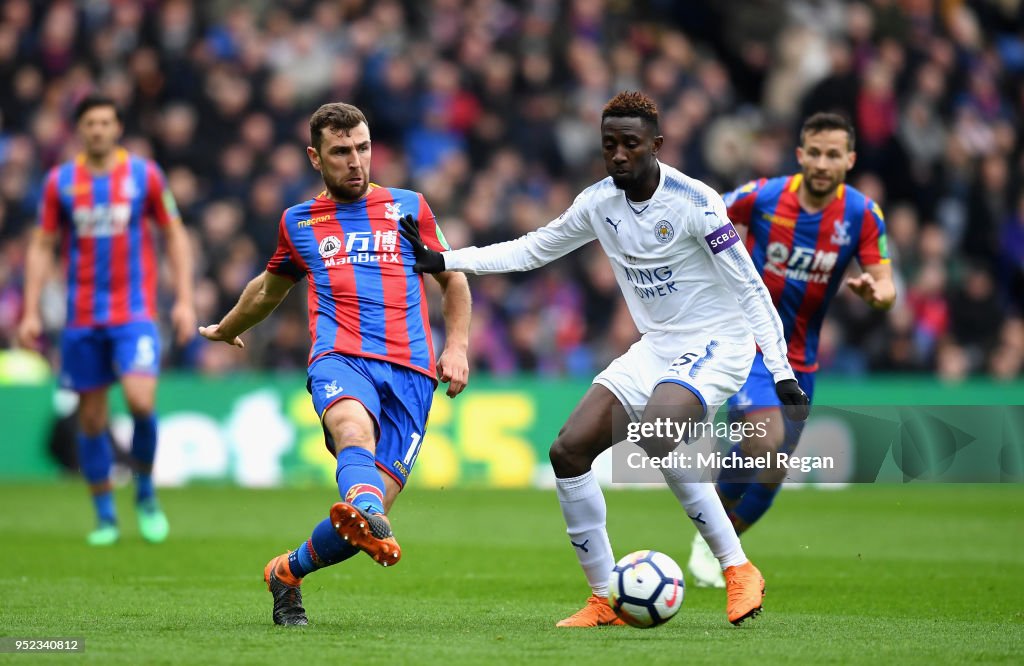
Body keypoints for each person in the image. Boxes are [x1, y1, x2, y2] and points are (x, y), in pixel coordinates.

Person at [400, 91, 809, 627]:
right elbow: (534, 248)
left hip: (717, 343)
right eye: (608, 144)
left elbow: (752, 289)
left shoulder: (696, 202)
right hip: (656, 347)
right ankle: (604, 598)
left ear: (657, 146)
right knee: (567, 452)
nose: (618, 155)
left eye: (630, 145)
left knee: (660, 431)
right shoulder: (598, 203)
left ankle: (737, 568)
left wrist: (779, 370)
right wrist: (446, 260)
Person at [199, 102, 471, 626]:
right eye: (341, 152)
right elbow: (265, 291)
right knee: (351, 429)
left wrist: (456, 346)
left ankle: (287, 571)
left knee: (362, 526)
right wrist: (228, 329)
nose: (356, 162)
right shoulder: (299, 222)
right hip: (340, 357)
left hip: (412, 375)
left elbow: (452, 277)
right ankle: (364, 504)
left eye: (363, 149)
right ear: (315, 157)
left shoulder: (408, 207)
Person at [686, 112, 896, 588]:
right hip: (750, 343)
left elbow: (887, 286)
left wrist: (874, 294)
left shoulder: (863, 214)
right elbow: (700, 217)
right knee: (765, 441)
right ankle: (715, 537)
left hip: (801, 358)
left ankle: (719, 542)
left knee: (774, 466)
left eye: (833, 154)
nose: (823, 163)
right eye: (815, 153)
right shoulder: (763, 196)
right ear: (801, 156)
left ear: (850, 160)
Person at [17, 94, 195, 546]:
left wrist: (184, 300)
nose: (98, 130)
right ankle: (105, 516)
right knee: (91, 419)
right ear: (80, 130)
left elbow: (173, 234)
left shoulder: (144, 175)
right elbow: (41, 245)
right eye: (90, 123)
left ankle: (146, 491)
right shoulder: (61, 182)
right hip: (81, 318)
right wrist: (32, 307)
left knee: (140, 402)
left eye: (106, 122)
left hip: (134, 312)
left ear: (118, 128)